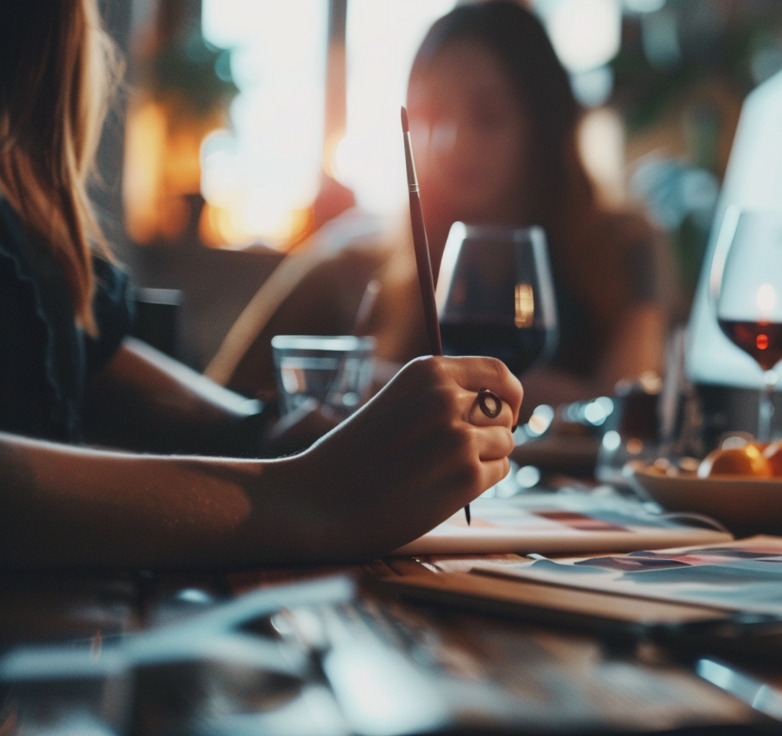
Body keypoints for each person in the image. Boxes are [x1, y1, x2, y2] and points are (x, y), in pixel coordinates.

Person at [0, 0, 521, 569]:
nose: (452, 142)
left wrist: (265, 432)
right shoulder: (348, 260)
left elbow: (85, 350)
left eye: (488, 116)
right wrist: (300, 496)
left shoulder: (27, 197)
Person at [361, 1, 669, 409]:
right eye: (430, 115)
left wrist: (425, 390)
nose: (451, 143)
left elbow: (625, 405)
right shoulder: (381, 261)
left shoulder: (623, 244)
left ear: (543, 123)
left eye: (487, 116)